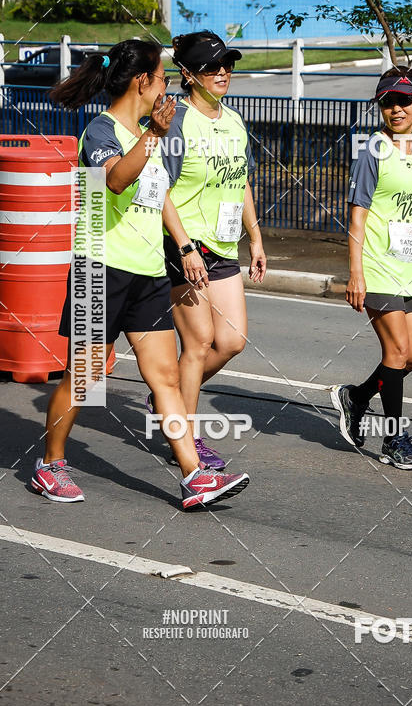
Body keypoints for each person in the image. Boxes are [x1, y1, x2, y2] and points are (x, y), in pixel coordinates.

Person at [31, 39, 249, 509]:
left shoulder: (150, 133)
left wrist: (185, 246)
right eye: (162, 78)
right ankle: (50, 464)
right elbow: (115, 178)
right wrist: (152, 133)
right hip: (99, 269)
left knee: (166, 377)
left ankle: (194, 476)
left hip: (149, 271)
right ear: (141, 82)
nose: (166, 87)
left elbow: (160, 191)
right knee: (86, 378)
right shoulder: (101, 130)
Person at [330, 66, 412, 469]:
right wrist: (356, 273)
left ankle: (356, 397)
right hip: (376, 263)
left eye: (404, 100)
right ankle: (394, 440)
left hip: (411, 265)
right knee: (397, 350)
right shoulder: (372, 151)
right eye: (387, 101)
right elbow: (356, 218)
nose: (396, 108)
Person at [154, 31, 266, 470]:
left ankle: (171, 401)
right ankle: (188, 434)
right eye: (209, 67)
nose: (222, 73)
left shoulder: (234, 121)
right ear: (187, 74)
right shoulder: (175, 119)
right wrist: (183, 246)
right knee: (198, 343)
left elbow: (242, 182)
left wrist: (255, 237)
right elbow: (156, 185)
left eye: (227, 65)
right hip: (184, 245)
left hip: (223, 246)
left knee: (232, 340)